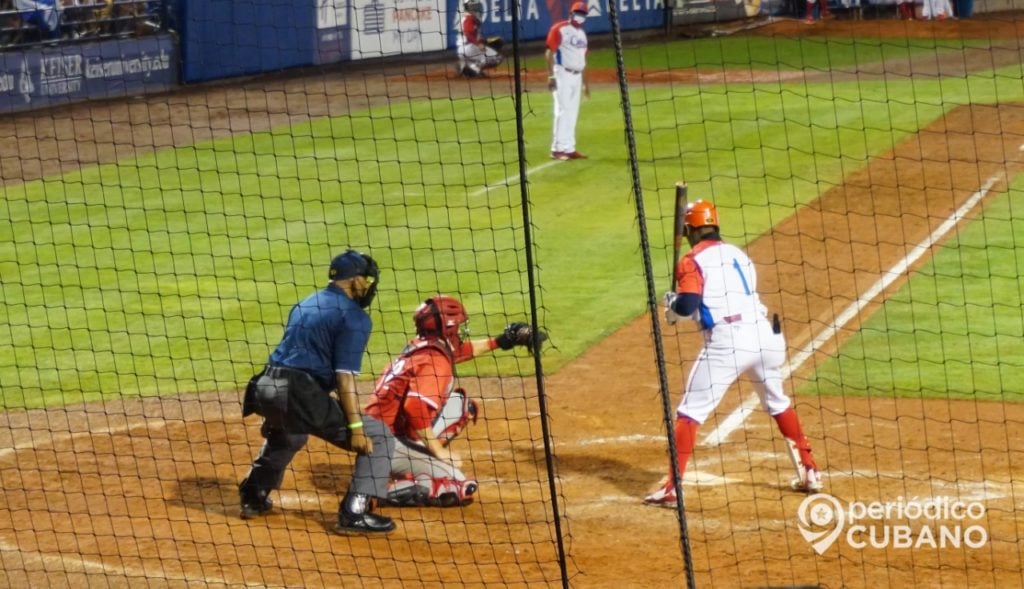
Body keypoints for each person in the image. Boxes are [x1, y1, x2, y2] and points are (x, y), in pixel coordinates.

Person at [645, 200, 823, 507]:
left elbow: (688, 305)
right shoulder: (739, 253)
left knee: (689, 412)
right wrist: (681, 305)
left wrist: (673, 306)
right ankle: (810, 472)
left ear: (689, 229)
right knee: (777, 402)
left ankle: (672, 488)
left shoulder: (691, 260)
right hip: (765, 337)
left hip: (729, 343)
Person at [238, 249, 398, 535]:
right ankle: (354, 512)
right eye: (367, 280)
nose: (369, 286)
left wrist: (276, 411)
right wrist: (357, 427)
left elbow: (288, 355)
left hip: (264, 385)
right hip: (298, 392)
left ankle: (254, 493)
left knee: (292, 430)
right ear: (356, 280)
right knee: (380, 436)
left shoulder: (306, 302)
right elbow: (344, 378)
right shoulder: (354, 317)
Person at [365, 296, 546, 507]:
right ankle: (375, 493)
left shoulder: (423, 346)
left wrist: (502, 341)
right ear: (448, 327)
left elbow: (460, 351)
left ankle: (413, 457)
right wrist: (438, 451)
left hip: (377, 433)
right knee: (458, 485)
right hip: (385, 445)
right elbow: (414, 408)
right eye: (458, 325)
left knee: (460, 405)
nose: (461, 330)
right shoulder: (436, 361)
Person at [545, 1, 589, 161]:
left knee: (572, 112)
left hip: (577, 76)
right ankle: (556, 149)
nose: (580, 16)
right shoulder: (560, 28)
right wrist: (551, 76)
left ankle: (569, 148)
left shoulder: (582, 34)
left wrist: (585, 85)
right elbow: (549, 53)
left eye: (583, 14)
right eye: (578, 12)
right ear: (571, 13)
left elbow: (582, 60)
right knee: (562, 110)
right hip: (562, 73)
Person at [455, 0, 502, 78]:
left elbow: (471, 35)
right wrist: (479, 44)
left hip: (464, 49)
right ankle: (473, 68)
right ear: (467, 7)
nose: (476, 8)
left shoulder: (466, 17)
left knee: (486, 55)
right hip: (469, 48)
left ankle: (464, 65)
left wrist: (485, 41)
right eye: (473, 6)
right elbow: (468, 34)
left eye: (476, 6)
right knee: (497, 58)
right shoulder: (469, 18)